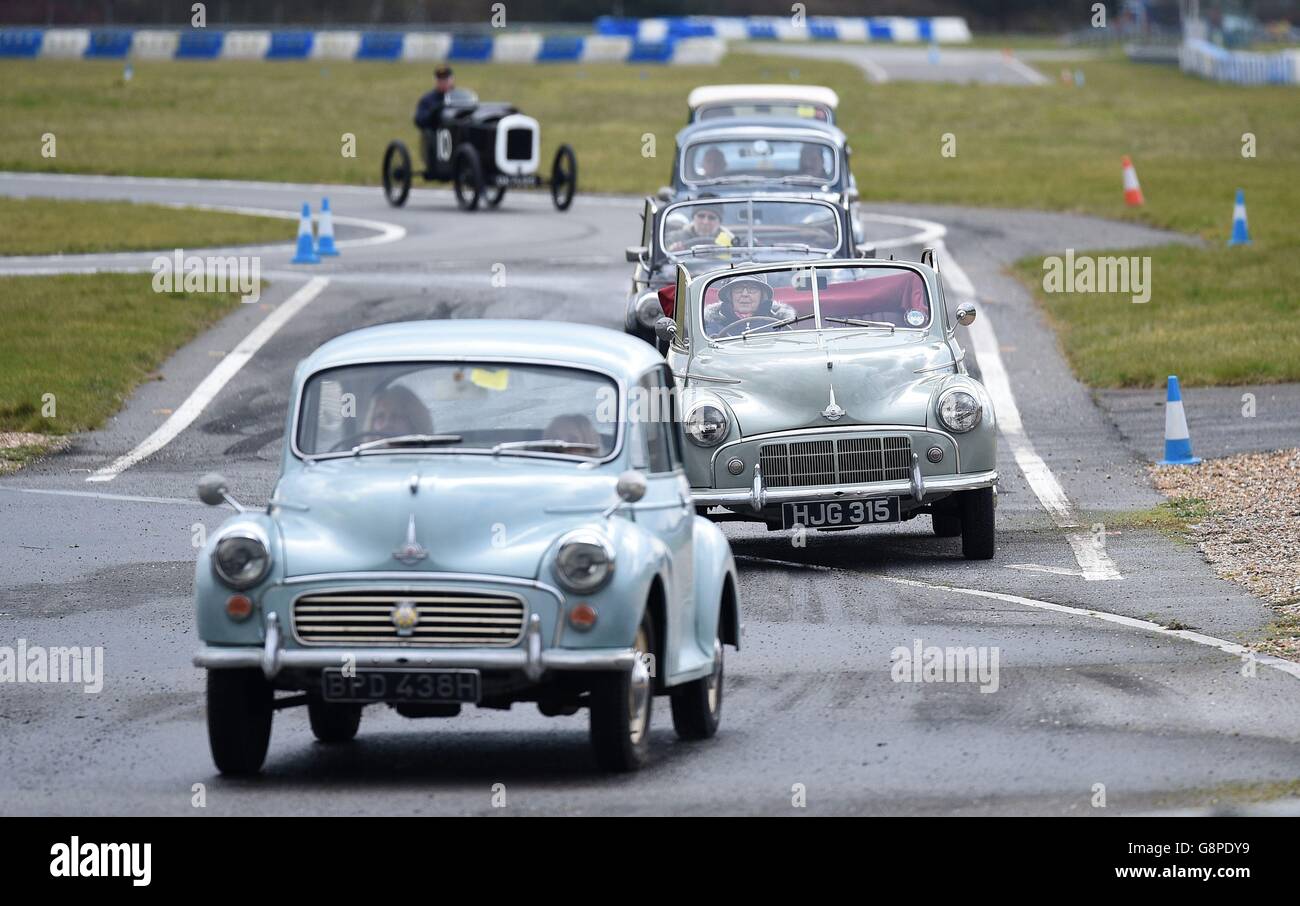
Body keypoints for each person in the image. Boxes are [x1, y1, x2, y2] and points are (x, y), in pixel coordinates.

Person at [704, 274, 797, 335]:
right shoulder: (713, 325)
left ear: (762, 296)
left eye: (753, 289)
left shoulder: (779, 323)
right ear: (730, 295)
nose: (745, 294)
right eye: (738, 289)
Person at [414, 65, 455, 171]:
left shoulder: (459, 97)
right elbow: (419, 120)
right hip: (437, 134)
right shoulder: (428, 100)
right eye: (440, 80)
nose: (443, 83)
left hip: (456, 133)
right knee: (430, 134)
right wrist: (434, 112)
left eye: (446, 79)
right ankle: (437, 165)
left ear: (452, 80)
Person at [365, 385, 434, 437]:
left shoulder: (425, 454)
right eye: (380, 416)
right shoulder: (361, 454)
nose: (386, 424)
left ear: (413, 422)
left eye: (396, 416)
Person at [667, 204, 733, 251]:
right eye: (701, 216)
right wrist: (673, 252)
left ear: (719, 222)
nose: (705, 222)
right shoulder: (675, 238)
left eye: (711, 217)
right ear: (693, 218)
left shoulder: (730, 241)